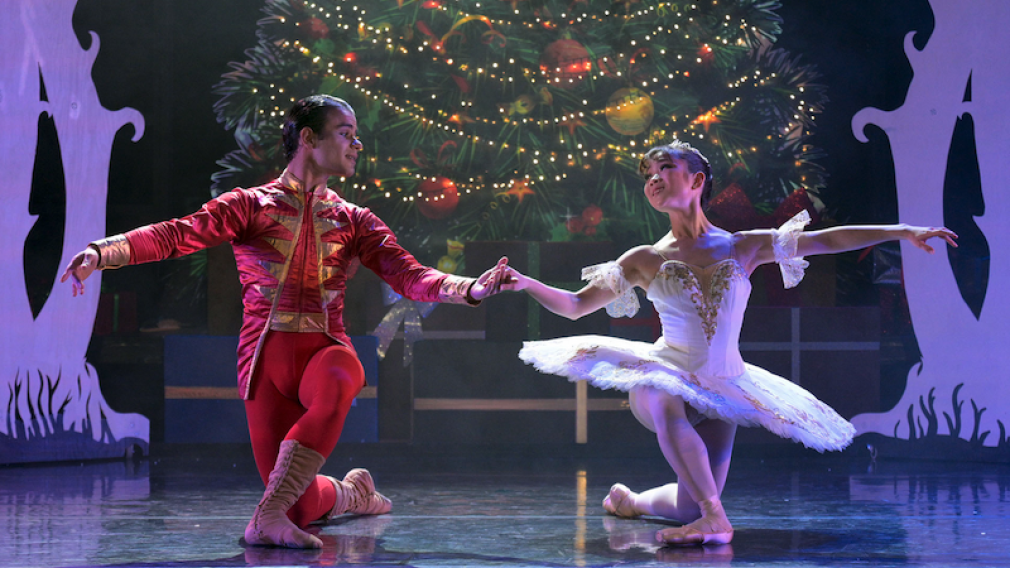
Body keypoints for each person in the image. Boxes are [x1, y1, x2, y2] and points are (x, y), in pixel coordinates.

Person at [61, 95, 508, 549]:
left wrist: (470, 288)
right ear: (309, 138)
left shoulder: (355, 221)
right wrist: (104, 251)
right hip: (263, 365)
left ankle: (267, 516)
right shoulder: (251, 206)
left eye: (356, 136)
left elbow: (409, 275)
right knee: (299, 505)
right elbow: (180, 234)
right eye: (345, 133)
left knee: (344, 374)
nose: (356, 145)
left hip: (323, 352)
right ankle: (352, 493)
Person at [500, 139, 957, 546]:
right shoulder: (644, 259)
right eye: (648, 175)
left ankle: (634, 501)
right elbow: (577, 305)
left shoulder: (742, 246)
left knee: (689, 504)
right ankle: (716, 521)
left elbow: (825, 240)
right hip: (664, 368)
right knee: (667, 406)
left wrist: (902, 231)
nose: (654, 179)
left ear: (697, 180)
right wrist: (526, 283)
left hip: (724, 382)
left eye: (665, 169)